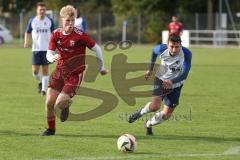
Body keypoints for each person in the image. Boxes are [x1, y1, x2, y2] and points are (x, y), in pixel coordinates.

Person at [41, 5, 108, 136]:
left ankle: (64, 106)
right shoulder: (56, 34)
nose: (71, 24)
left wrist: (102, 68)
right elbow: (48, 53)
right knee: (49, 102)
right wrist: (52, 57)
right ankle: (51, 129)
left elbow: (97, 48)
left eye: (73, 20)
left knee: (59, 104)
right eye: (68, 21)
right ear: (61, 20)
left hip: (74, 75)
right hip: (60, 72)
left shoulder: (80, 35)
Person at [128, 34, 192, 136]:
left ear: (181, 44)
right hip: (161, 79)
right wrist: (150, 68)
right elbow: (154, 52)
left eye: (177, 47)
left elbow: (184, 74)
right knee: (154, 107)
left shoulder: (187, 54)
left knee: (167, 115)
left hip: (176, 85)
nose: (174, 50)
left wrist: (172, 82)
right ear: (167, 45)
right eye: (172, 46)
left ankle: (148, 124)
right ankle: (140, 113)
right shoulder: (161, 49)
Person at [24, 2, 54, 95]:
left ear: (46, 11)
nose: (42, 11)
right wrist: (26, 41)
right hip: (36, 49)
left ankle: (44, 90)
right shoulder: (32, 21)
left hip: (47, 50)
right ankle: (41, 82)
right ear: (37, 10)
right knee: (35, 71)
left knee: (45, 70)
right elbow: (27, 32)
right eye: (40, 9)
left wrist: (55, 46)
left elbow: (54, 34)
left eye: (44, 9)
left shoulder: (50, 21)